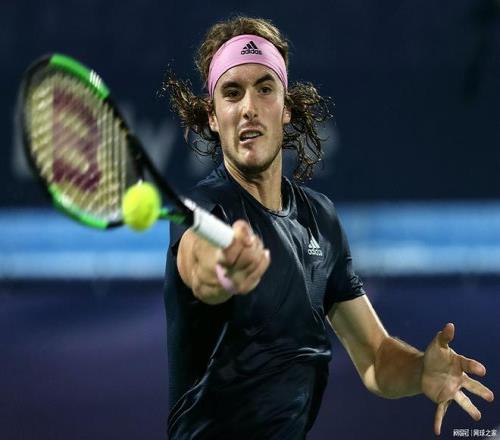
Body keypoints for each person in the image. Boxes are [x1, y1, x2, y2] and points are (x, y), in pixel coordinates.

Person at [162, 16, 494, 439]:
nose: (249, 107)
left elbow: (376, 357)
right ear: (212, 116)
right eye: (232, 93)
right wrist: (224, 271)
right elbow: (200, 266)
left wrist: (418, 371)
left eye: (264, 88)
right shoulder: (204, 211)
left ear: (285, 108)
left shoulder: (320, 219)